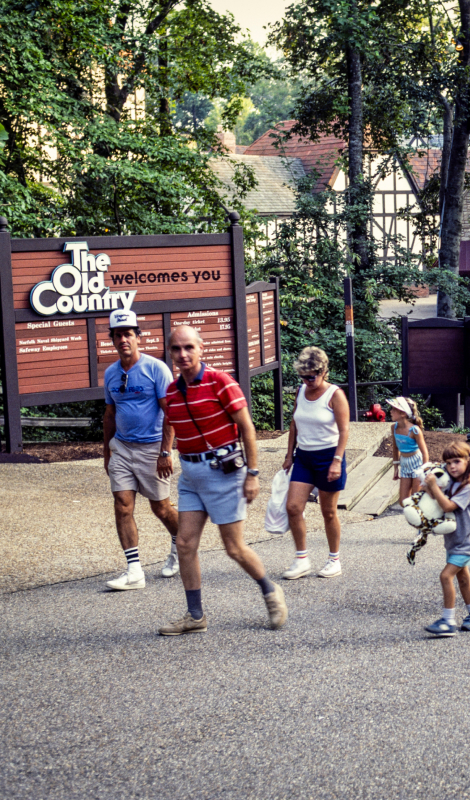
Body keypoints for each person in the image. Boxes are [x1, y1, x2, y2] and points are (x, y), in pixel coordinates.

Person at [157, 324, 288, 635]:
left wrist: (253, 474)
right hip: (190, 474)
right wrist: (166, 451)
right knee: (185, 543)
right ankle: (195, 616)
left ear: (201, 348)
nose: (183, 354)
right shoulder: (172, 392)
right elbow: (170, 420)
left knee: (233, 547)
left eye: (189, 347)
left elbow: (247, 428)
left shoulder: (220, 382)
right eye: (176, 349)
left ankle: (270, 591)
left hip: (224, 472)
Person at [103, 309, 179, 590]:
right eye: (118, 335)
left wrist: (165, 452)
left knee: (161, 508)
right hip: (122, 447)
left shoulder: (156, 368)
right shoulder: (111, 373)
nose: (123, 339)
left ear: (138, 337)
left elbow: (169, 413)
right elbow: (109, 415)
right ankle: (134, 571)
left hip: (152, 449)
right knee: (122, 505)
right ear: (112, 340)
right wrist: (107, 451)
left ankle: (179, 546)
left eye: (128, 334)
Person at [282, 346, 349, 580]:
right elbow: (294, 424)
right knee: (293, 507)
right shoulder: (301, 391)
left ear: (323, 371)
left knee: (328, 512)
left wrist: (337, 461)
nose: (307, 381)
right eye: (303, 376)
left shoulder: (335, 395)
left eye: (312, 376)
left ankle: (334, 559)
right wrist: (289, 455)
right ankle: (301, 559)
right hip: (304, 456)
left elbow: (344, 430)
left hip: (329, 456)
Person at [423, 442, 470, 637]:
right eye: (448, 462)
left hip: (466, 543)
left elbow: (448, 506)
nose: (452, 466)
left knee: (446, 576)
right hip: (454, 541)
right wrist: (428, 486)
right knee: (463, 578)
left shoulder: (468, 486)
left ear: (468, 461)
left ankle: (448, 621)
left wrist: (434, 487)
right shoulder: (453, 482)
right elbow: (436, 499)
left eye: (457, 461)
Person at [388, 396, 429, 506]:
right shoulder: (394, 428)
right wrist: (396, 468)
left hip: (417, 463)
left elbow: (425, 452)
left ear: (403, 414)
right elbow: (395, 448)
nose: (390, 411)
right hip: (404, 463)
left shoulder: (414, 430)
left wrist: (424, 471)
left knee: (416, 499)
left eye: (394, 409)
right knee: (403, 502)